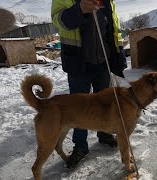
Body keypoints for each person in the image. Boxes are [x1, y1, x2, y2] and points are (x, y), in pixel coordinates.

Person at [51, 0, 127, 168]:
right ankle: (80, 146)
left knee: (106, 104)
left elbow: (115, 28)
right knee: (79, 109)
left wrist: (119, 52)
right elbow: (59, 20)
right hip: (78, 63)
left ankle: (104, 134)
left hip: (103, 63)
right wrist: (78, 10)